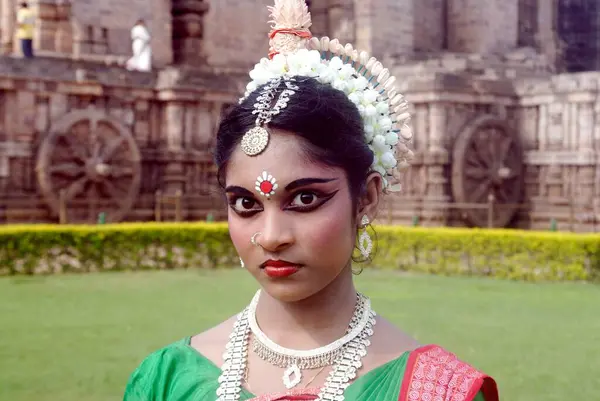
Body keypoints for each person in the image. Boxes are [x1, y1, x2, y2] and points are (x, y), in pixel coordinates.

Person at [123, 1, 500, 400]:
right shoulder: (166, 380)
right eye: (246, 205)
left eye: (304, 198)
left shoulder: (438, 391)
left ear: (366, 197)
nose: (271, 237)